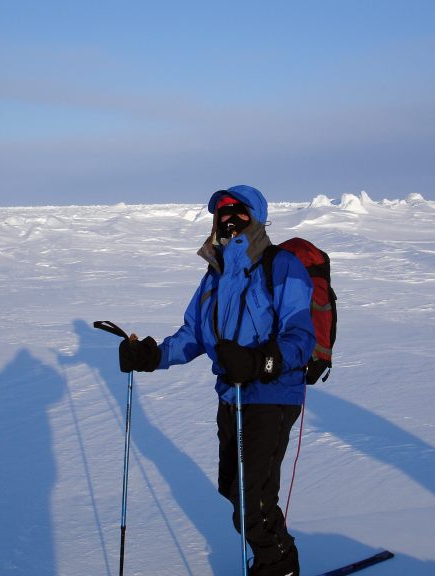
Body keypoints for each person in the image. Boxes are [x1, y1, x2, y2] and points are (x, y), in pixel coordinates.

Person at [118, 185, 315, 576]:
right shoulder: (215, 274)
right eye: (221, 212)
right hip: (231, 397)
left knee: (251, 502)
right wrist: (152, 355)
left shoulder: (282, 266)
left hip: (271, 396)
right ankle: (272, 557)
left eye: (236, 211)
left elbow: (300, 336)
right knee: (233, 489)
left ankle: (280, 566)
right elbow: (193, 335)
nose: (227, 218)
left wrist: (260, 362)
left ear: (255, 216)